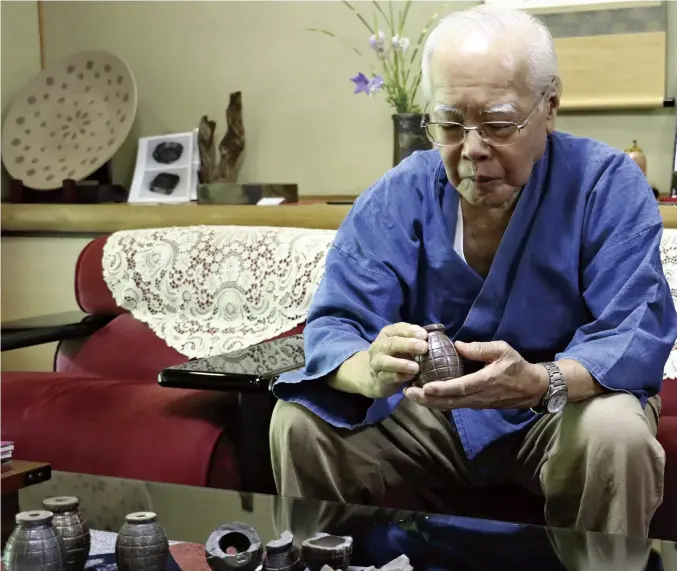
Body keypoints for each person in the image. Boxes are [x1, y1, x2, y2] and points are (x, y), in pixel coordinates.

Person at [270, 5, 677, 537]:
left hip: (558, 408)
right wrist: (368, 369)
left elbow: (634, 331)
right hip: (429, 415)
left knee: (616, 434)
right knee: (302, 423)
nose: (473, 150)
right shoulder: (401, 193)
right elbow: (337, 324)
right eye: (450, 124)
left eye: (499, 123)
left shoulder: (605, 185)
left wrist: (539, 381)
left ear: (550, 106)